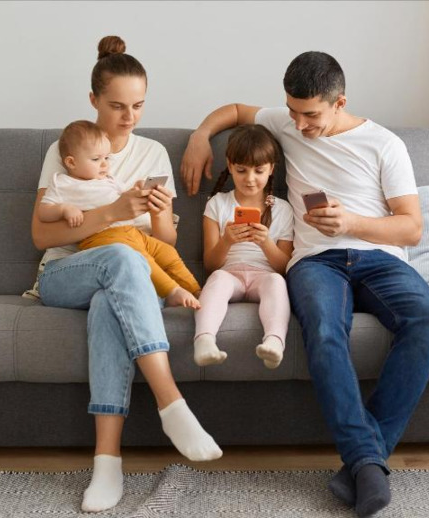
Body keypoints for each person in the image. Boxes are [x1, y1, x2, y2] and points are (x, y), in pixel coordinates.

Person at [180, 51, 429, 517]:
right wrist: (200, 136)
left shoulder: (384, 144)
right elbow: (236, 111)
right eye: (292, 112)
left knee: (426, 319)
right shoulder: (287, 122)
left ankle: (363, 460)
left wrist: (353, 222)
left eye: (311, 115)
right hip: (315, 261)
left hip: (379, 258)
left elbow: (411, 228)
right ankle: (368, 462)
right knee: (324, 328)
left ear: (340, 102)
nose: (299, 125)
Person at [30, 36, 221, 513]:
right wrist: (114, 211)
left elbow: (166, 240)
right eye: (117, 106)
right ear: (94, 100)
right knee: (121, 256)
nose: (129, 117)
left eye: (138, 106)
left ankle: (107, 463)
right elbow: (40, 235)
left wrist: (157, 214)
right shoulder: (67, 149)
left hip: (133, 275)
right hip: (65, 272)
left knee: (110, 298)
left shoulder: (153, 153)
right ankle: (170, 402)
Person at [38, 119, 203, 308]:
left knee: (167, 253)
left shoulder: (109, 179)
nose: (104, 165)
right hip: (103, 239)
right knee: (137, 258)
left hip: (132, 233)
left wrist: (140, 191)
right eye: (96, 159)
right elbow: (44, 212)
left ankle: (195, 290)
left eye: (107, 158)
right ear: (71, 162)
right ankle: (171, 291)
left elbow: (124, 195)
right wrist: (64, 209)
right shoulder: (63, 183)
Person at [191, 124, 293, 368]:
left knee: (276, 282)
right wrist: (227, 240)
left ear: (271, 169)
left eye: (259, 171)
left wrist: (265, 243)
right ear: (230, 166)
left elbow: (283, 268)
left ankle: (274, 342)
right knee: (217, 279)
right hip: (230, 273)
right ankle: (204, 340)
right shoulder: (217, 204)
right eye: (241, 170)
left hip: (264, 275)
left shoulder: (283, 209)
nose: (250, 179)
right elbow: (210, 265)